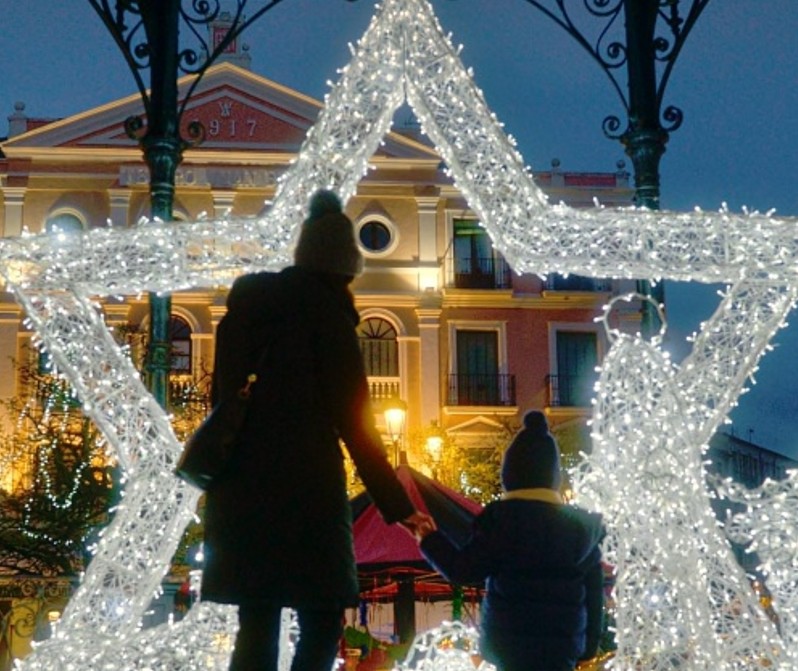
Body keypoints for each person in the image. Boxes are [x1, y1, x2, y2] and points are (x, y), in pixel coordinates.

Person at [201, 189, 434, 671]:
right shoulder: (329, 316)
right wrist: (400, 507)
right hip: (307, 494)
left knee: (257, 622)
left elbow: (221, 398)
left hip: (243, 493)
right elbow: (355, 423)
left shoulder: (245, 310)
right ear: (344, 269)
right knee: (323, 620)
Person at [415, 410, 605, 671]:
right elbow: (594, 593)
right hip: (561, 648)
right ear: (553, 477)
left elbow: (463, 569)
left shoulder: (502, 523)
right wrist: (588, 647)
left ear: (510, 475)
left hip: (510, 646)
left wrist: (429, 539)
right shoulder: (579, 529)